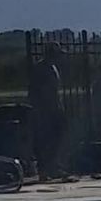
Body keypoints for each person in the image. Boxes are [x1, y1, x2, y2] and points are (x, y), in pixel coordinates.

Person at [29, 44, 66, 180]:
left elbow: (55, 92)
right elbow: (38, 92)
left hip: (54, 109)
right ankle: (44, 170)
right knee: (45, 141)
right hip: (45, 110)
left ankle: (53, 167)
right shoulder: (41, 68)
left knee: (56, 139)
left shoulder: (52, 68)